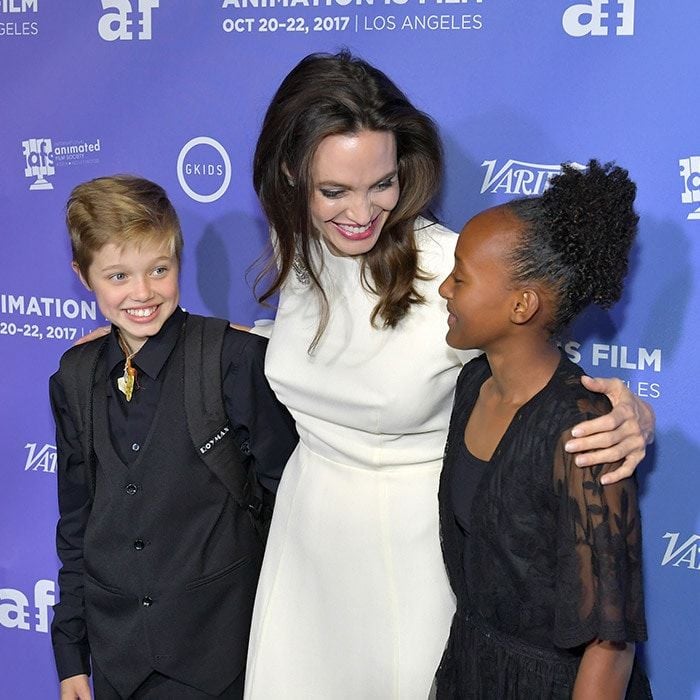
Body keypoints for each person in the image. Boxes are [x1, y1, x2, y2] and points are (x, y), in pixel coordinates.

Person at [242, 52, 654, 699]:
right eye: (334, 190)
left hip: (411, 557)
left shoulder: (452, 268)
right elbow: (312, 353)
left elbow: (539, 382)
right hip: (305, 545)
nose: (360, 211)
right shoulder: (298, 246)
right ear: (292, 174)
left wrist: (632, 415)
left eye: (381, 182)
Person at [50, 176, 297, 700]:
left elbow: (288, 508)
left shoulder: (234, 361)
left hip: (222, 654)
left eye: (159, 269)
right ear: (83, 276)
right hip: (119, 661)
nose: (142, 293)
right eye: (118, 276)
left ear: (178, 261)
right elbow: (77, 523)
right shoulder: (74, 377)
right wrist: (71, 653)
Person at [435, 160, 651, 698]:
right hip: (474, 668)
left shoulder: (585, 428)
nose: (443, 289)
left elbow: (609, 644)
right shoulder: (474, 383)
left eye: (460, 277)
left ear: (522, 304)